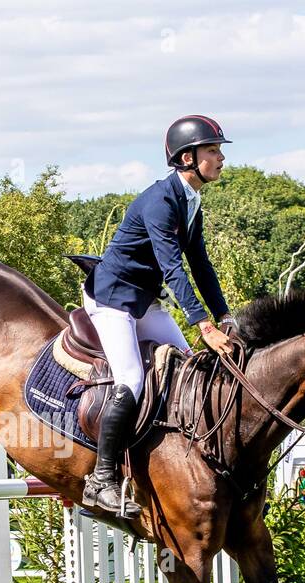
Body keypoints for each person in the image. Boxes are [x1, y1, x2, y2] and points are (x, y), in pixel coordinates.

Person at [79, 115, 237, 518]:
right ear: (188, 157)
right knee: (131, 380)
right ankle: (101, 481)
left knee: (189, 371)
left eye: (219, 150)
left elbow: (201, 266)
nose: (220, 158)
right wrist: (203, 325)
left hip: (143, 302)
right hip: (111, 299)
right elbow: (173, 269)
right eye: (213, 151)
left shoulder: (190, 201)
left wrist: (224, 316)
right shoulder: (160, 201)